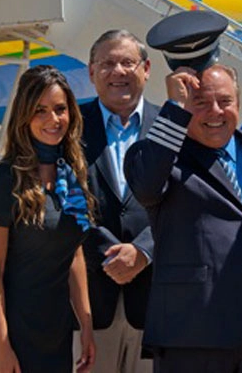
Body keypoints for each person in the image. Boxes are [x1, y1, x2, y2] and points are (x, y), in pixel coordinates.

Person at [125, 63, 242, 373]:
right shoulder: (160, 157)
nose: (215, 112)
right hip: (192, 333)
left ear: (239, 103)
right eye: (200, 103)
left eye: (225, 101)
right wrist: (175, 108)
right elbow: (147, 188)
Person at [0, 65, 95, 373]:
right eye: (40, 110)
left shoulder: (72, 176)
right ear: (24, 115)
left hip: (55, 334)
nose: (53, 120)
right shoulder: (3, 180)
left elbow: (74, 254)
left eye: (59, 109)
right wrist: (1, 347)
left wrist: (86, 325)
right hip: (13, 335)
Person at [78, 30, 157, 373]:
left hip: (157, 303)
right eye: (107, 63)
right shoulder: (69, 125)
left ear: (147, 68)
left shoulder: (172, 127)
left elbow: (185, 203)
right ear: (91, 72)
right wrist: (109, 254)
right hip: (91, 305)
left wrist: (143, 251)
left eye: (128, 62)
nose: (118, 72)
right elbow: (63, 202)